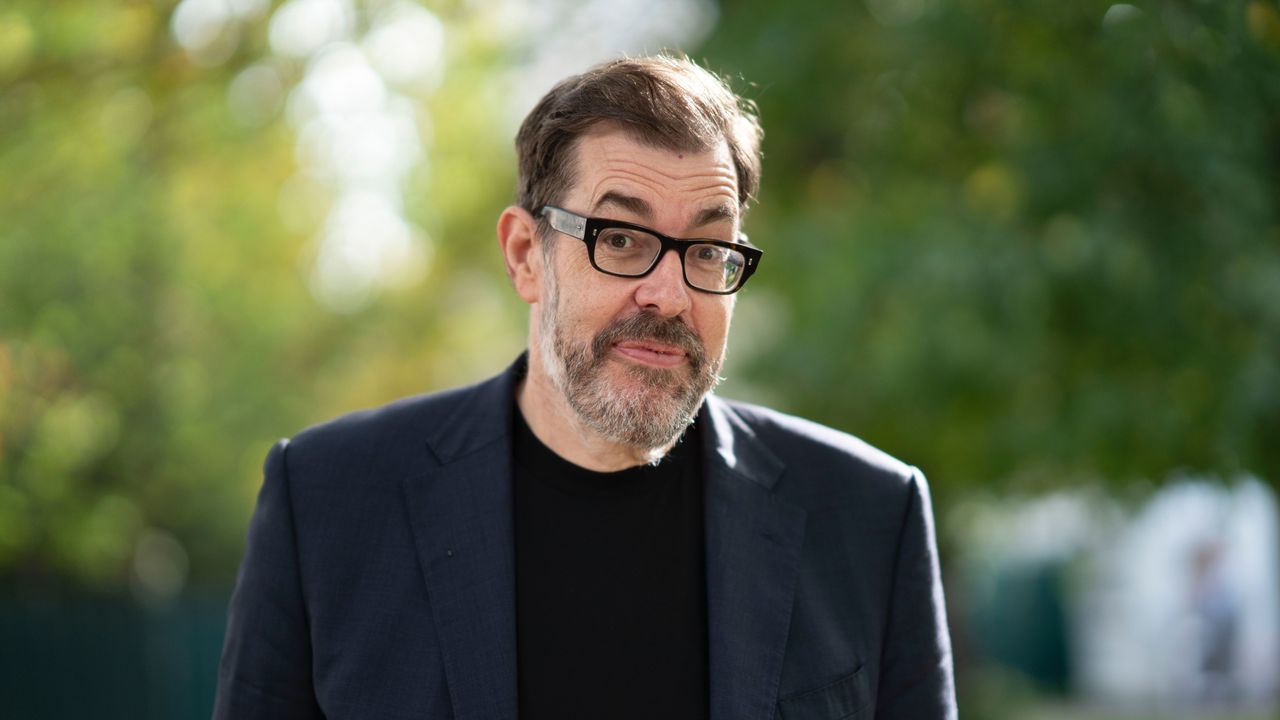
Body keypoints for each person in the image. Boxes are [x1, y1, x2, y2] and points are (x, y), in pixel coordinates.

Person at [214, 54, 957, 720]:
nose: (668, 294)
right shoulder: (328, 501)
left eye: (707, 249)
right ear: (524, 255)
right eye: (621, 238)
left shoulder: (866, 516)